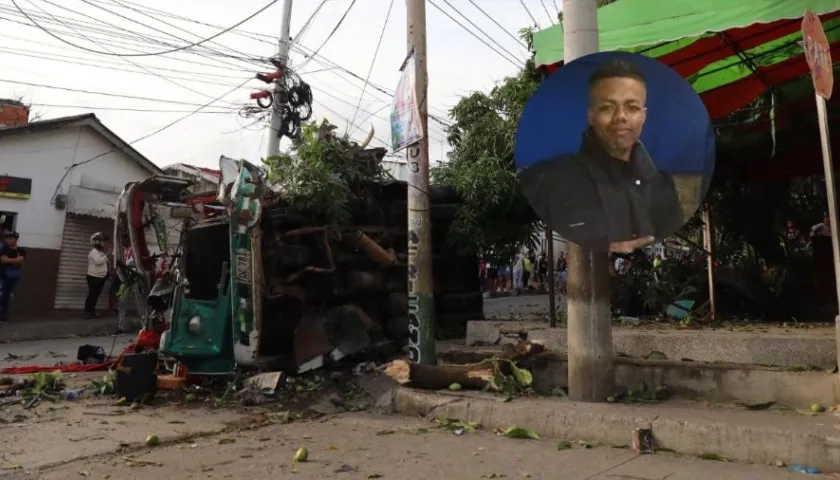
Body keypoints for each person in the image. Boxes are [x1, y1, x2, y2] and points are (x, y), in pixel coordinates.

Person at [520, 58, 684, 254]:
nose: (620, 117)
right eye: (607, 107)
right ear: (591, 115)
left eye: (631, 107)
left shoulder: (662, 187)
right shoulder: (552, 179)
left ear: (644, 115)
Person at [0, 231, 25, 323]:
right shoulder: (4, 249)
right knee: (1, 295)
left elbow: (21, 261)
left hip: (13, 277)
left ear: (16, 239)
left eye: (10, 238)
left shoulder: (21, 250)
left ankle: (3, 316)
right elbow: (3, 260)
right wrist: (15, 259)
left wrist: (9, 260)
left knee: (7, 297)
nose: (8, 240)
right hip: (2, 275)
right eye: (6, 238)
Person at [85, 232, 110, 319]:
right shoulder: (94, 252)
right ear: (96, 242)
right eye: (102, 241)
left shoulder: (100, 252)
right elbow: (98, 262)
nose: (104, 243)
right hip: (94, 277)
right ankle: (87, 312)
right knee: (92, 295)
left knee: (95, 295)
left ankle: (91, 311)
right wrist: (107, 257)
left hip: (99, 277)